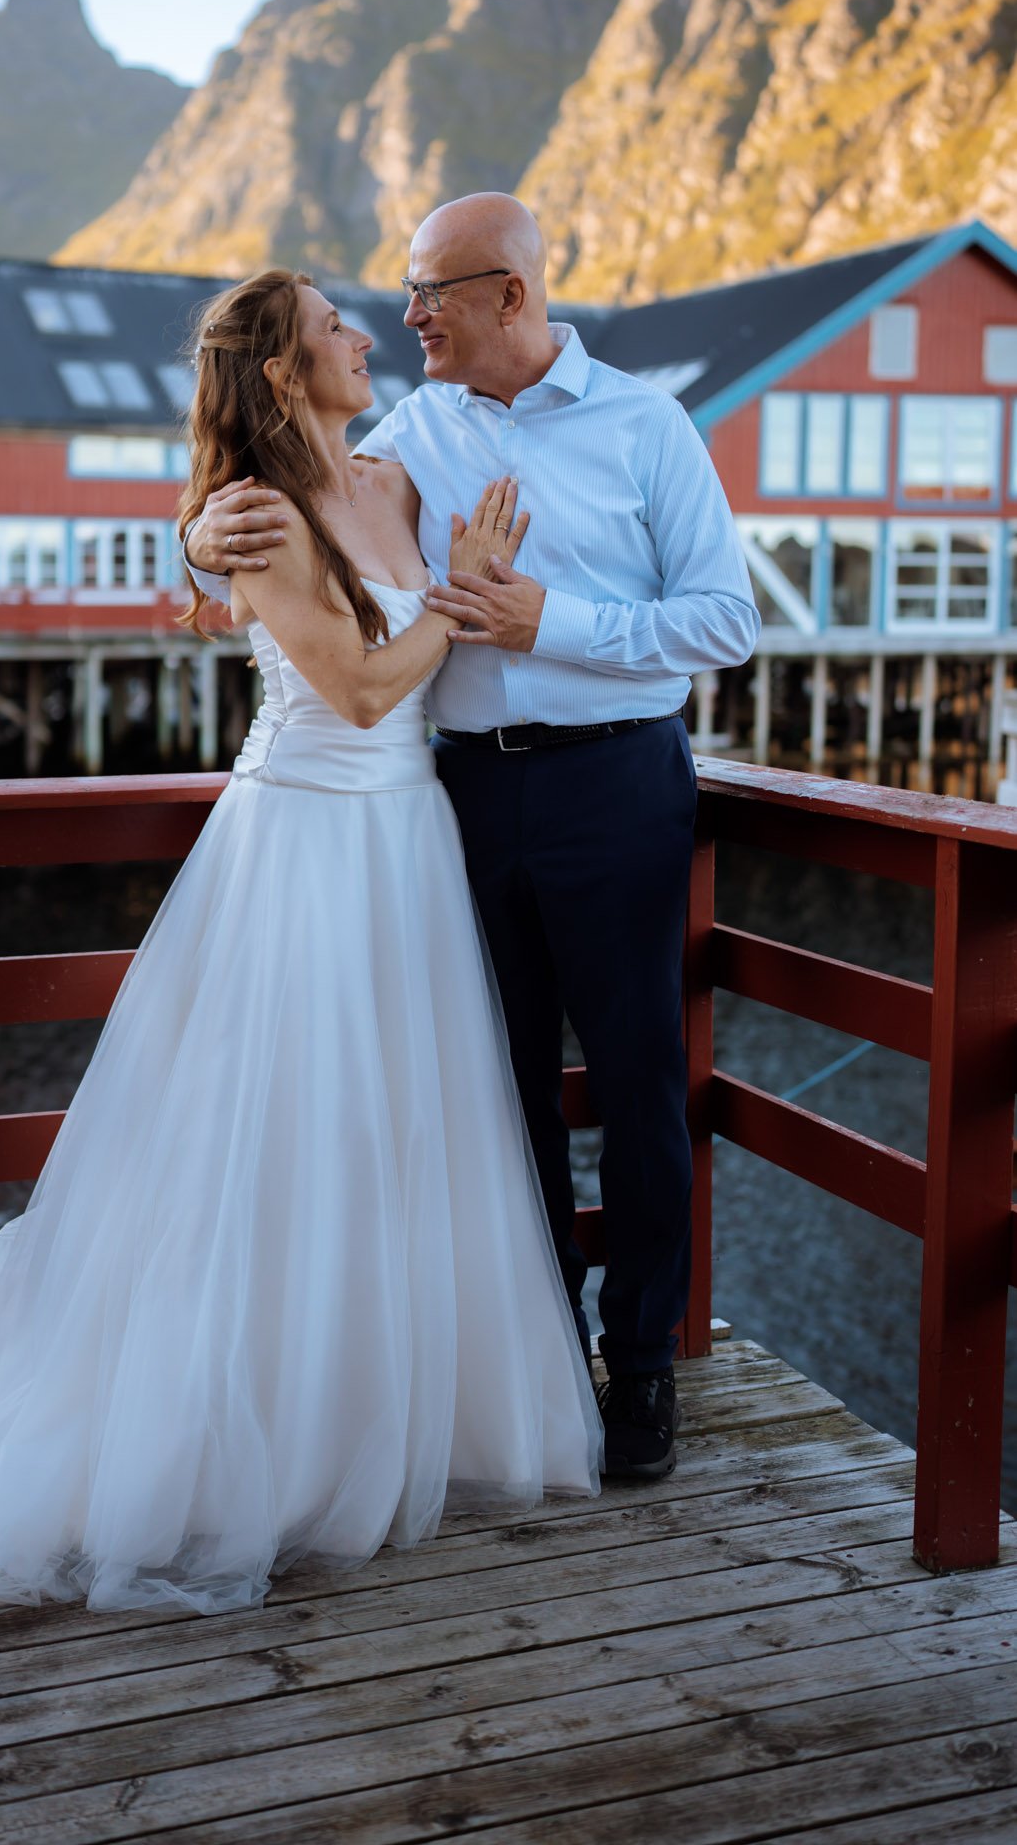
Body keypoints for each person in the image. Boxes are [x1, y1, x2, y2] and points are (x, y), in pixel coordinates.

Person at [0, 266, 602, 1623]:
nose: (363, 336)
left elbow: (273, 603)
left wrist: (210, 569)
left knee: (390, 1133)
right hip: (306, 839)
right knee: (267, 1140)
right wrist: (458, 587)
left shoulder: (381, 478)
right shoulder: (252, 514)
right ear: (278, 373)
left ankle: (380, 1413)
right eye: (331, 329)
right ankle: (252, 1450)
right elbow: (363, 691)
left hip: (404, 841)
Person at [184, 196, 761, 1480]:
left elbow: (722, 622)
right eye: (393, 297)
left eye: (430, 293)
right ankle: (539, 1353)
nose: (406, 318)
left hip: (615, 785)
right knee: (493, 1098)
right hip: (457, 798)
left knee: (635, 1080)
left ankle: (643, 1362)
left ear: (509, 293)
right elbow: (287, 483)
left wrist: (548, 618)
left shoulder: (647, 426)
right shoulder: (405, 436)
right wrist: (196, 534)